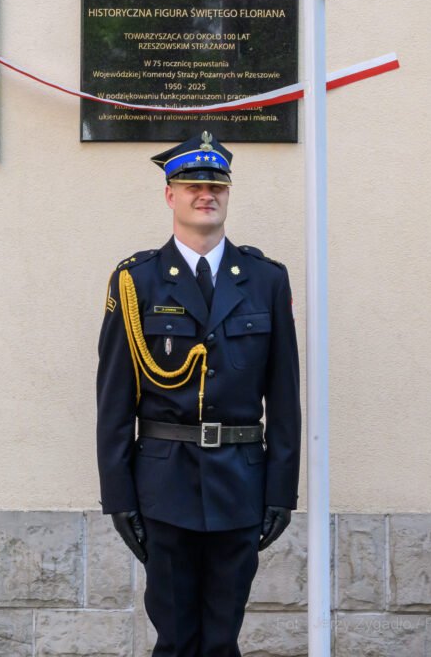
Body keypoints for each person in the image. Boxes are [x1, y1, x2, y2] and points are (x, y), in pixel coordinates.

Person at [95, 131, 300, 656]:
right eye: (192, 185)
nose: (206, 194)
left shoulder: (265, 280)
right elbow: (114, 401)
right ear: (170, 195)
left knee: (222, 638)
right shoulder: (137, 282)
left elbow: (284, 398)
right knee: (176, 637)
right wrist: (118, 497)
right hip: (164, 486)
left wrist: (282, 492)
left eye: (217, 186)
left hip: (240, 483)